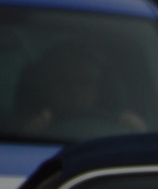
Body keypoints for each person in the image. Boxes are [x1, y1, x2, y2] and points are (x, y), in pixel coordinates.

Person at [16, 45, 146, 139]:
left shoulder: (121, 127)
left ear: (99, 89)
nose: (75, 90)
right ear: (44, 87)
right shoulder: (15, 129)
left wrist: (139, 136)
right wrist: (28, 136)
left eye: (85, 82)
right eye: (64, 82)